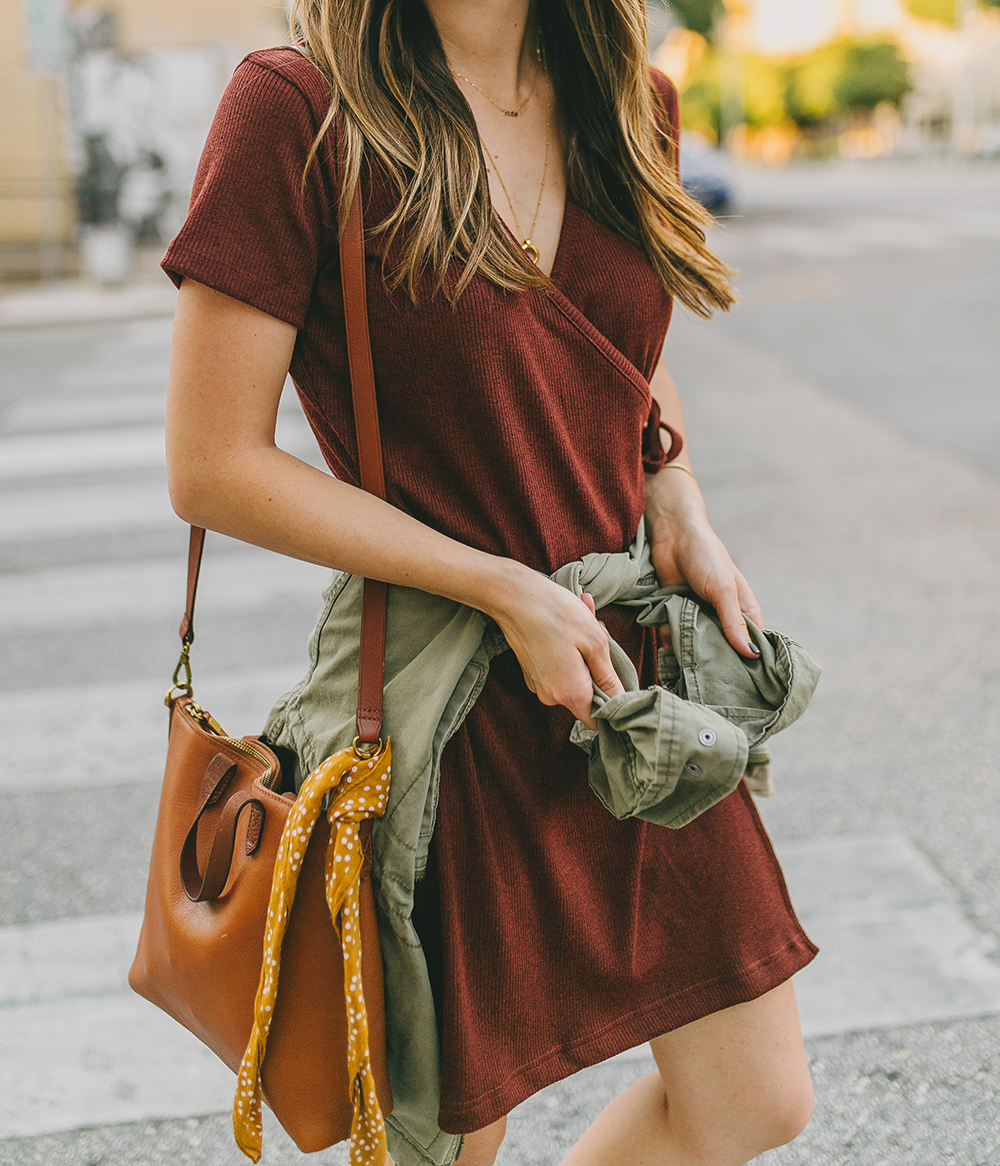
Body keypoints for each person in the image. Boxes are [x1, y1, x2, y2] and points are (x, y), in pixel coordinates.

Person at [162, 0, 818, 1161]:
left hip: (623, 678)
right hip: (451, 686)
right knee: (448, 1141)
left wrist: (676, 492)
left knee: (753, 1098)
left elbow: (625, 352)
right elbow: (214, 464)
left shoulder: (633, 101)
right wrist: (501, 586)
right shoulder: (302, 110)